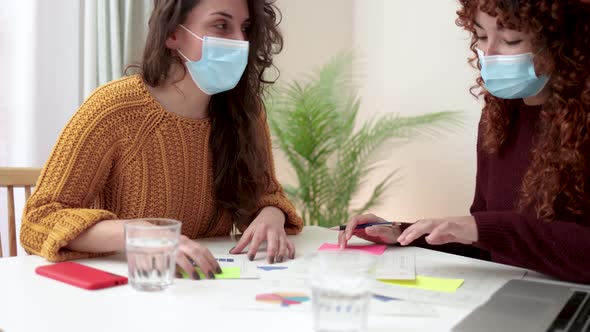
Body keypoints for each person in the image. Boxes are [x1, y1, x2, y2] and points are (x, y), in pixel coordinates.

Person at [20, 0, 303, 280]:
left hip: (209, 290)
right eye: (221, 25)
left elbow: (266, 194)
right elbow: (39, 219)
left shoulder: (246, 114)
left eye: (245, 28)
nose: (240, 41)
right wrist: (141, 234)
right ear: (173, 34)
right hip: (130, 294)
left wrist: (270, 214)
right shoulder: (113, 109)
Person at [339, 0, 590, 284]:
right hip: (515, 294)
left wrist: (484, 229)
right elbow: (488, 243)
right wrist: (405, 234)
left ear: (561, 44)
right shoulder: (499, 117)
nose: (489, 53)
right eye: (481, 36)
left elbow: (492, 231)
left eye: (511, 40)